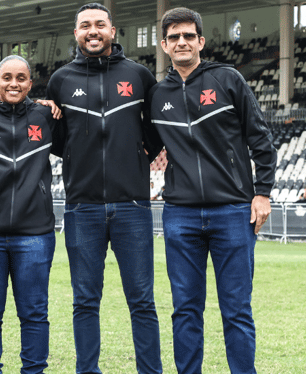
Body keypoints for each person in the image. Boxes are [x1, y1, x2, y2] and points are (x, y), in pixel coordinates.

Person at [149, 7, 276, 374]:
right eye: (174, 37)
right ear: (164, 45)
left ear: (201, 41)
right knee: (185, 308)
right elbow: (139, 147)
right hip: (180, 215)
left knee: (236, 309)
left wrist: (262, 192)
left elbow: (261, 140)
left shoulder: (228, 79)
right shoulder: (158, 95)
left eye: (189, 35)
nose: (182, 42)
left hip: (233, 212)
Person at [45, 3, 163, 373]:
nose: (92, 31)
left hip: (133, 206)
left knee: (142, 300)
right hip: (82, 207)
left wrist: (142, 152)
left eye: (99, 24)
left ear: (113, 30)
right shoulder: (60, 80)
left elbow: (156, 125)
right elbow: (54, 136)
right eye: (84, 26)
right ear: (76, 33)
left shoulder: (140, 75)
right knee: (85, 301)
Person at [0, 55, 60, 374]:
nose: (13, 83)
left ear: (30, 83)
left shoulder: (46, 116)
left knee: (34, 313)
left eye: (20, 78)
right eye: (7, 77)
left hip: (35, 234)